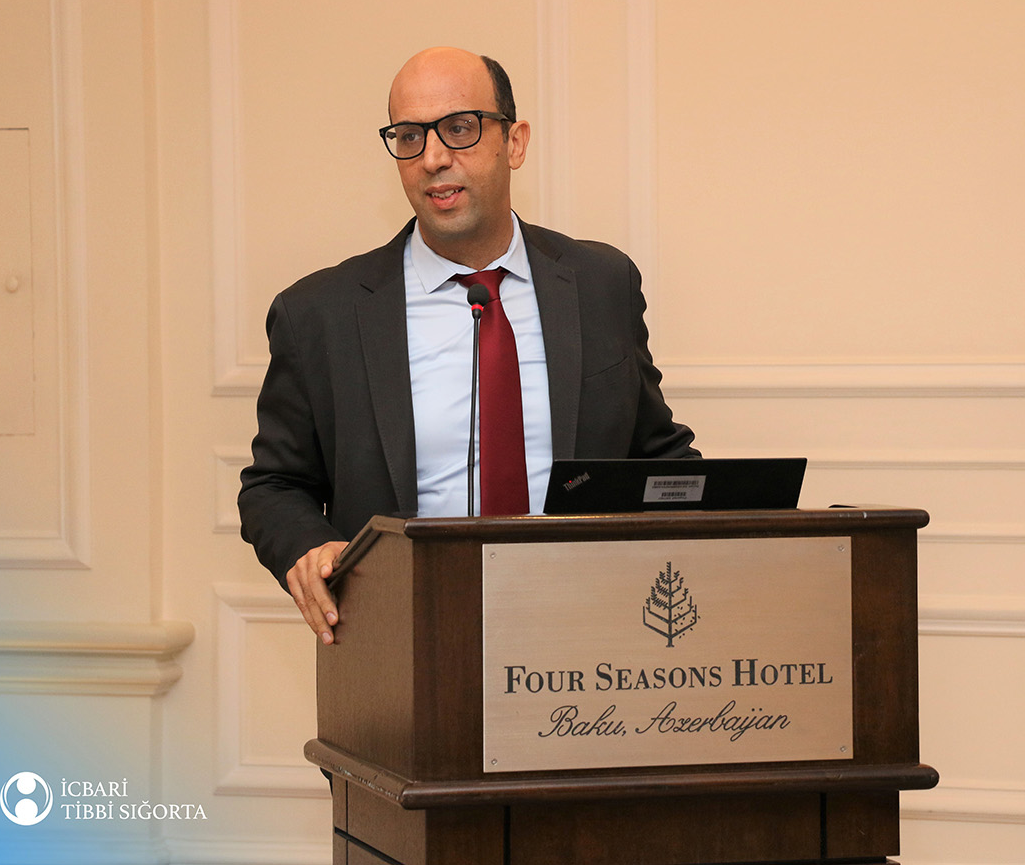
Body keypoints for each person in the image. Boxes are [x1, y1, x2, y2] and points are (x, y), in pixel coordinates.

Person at [238, 47, 698, 644]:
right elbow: (274, 486)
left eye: (460, 128)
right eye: (410, 136)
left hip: (587, 633)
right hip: (403, 638)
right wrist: (308, 547)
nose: (433, 158)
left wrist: (743, 522)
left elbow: (656, 457)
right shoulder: (318, 314)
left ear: (515, 142)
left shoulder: (600, 284)